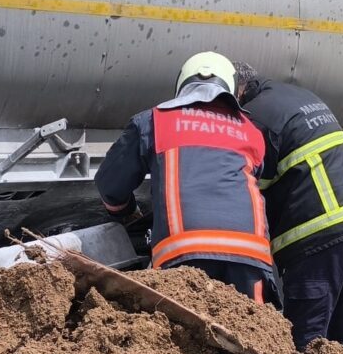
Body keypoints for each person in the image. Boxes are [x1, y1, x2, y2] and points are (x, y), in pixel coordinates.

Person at [95, 52, 277, 303]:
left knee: (180, 337)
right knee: (250, 333)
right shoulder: (251, 130)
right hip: (250, 255)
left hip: (183, 252)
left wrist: (123, 211)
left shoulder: (153, 120)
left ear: (182, 83)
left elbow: (110, 183)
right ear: (231, 89)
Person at [233, 62, 343, 351]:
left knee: (307, 342)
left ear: (238, 90)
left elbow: (247, 186)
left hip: (320, 236)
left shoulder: (257, 117)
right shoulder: (300, 97)